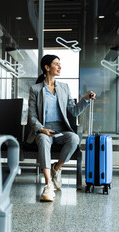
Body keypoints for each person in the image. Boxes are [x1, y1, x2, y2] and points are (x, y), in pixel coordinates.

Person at [27, 54, 96, 202]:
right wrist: (41, 129)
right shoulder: (35, 89)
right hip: (44, 130)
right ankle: (48, 184)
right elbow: (32, 116)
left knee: (74, 138)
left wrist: (85, 99)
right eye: (56, 64)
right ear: (47, 67)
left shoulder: (64, 87)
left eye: (60, 64)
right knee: (43, 139)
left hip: (60, 131)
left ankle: (57, 168)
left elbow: (74, 111)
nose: (60, 67)